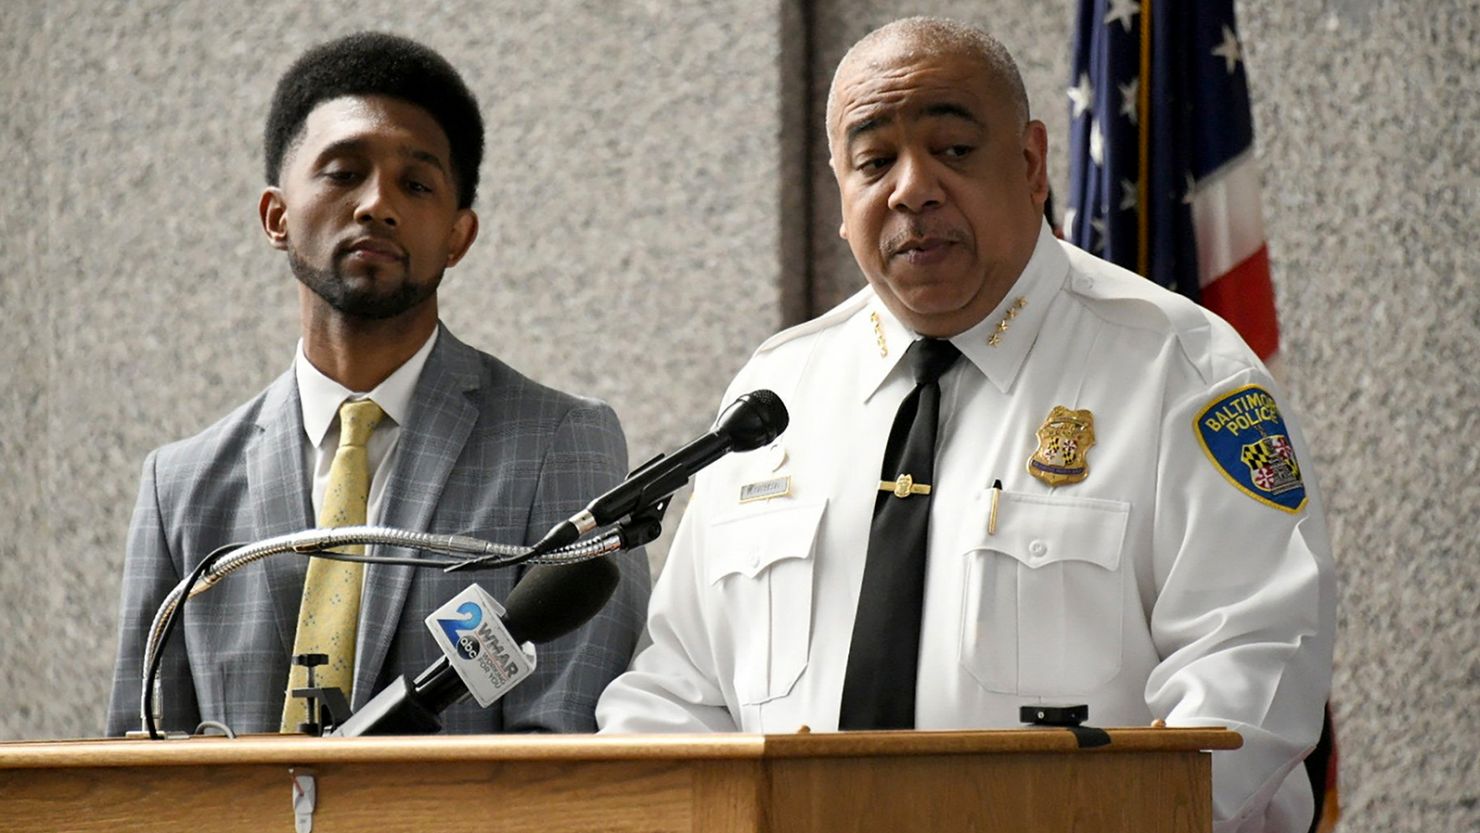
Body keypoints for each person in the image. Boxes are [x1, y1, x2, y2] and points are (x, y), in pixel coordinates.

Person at [597, 17, 1334, 833]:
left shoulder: (1180, 373)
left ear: (1029, 165)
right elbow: (676, 690)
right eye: (873, 162)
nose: (912, 188)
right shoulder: (775, 395)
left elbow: (1249, 680)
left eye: (951, 149)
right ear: (841, 197)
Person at [107, 32, 649, 737]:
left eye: (416, 184)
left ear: (459, 235)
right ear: (277, 215)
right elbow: (138, 759)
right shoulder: (179, 484)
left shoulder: (558, 441)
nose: (377, 205)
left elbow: (569, 743)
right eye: (342, 173)